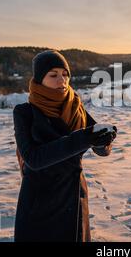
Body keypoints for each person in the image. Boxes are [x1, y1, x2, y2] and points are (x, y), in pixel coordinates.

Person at [12, 50, 117, 242]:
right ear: (39, 79)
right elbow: (33, 158)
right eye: (53, 75)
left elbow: (98, 146)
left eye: (65, 74)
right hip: (40, 203)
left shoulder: (76, 107)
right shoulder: (25, 113)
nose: (62, 80)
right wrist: (84, 139)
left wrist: (104, 142)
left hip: (74, 198)